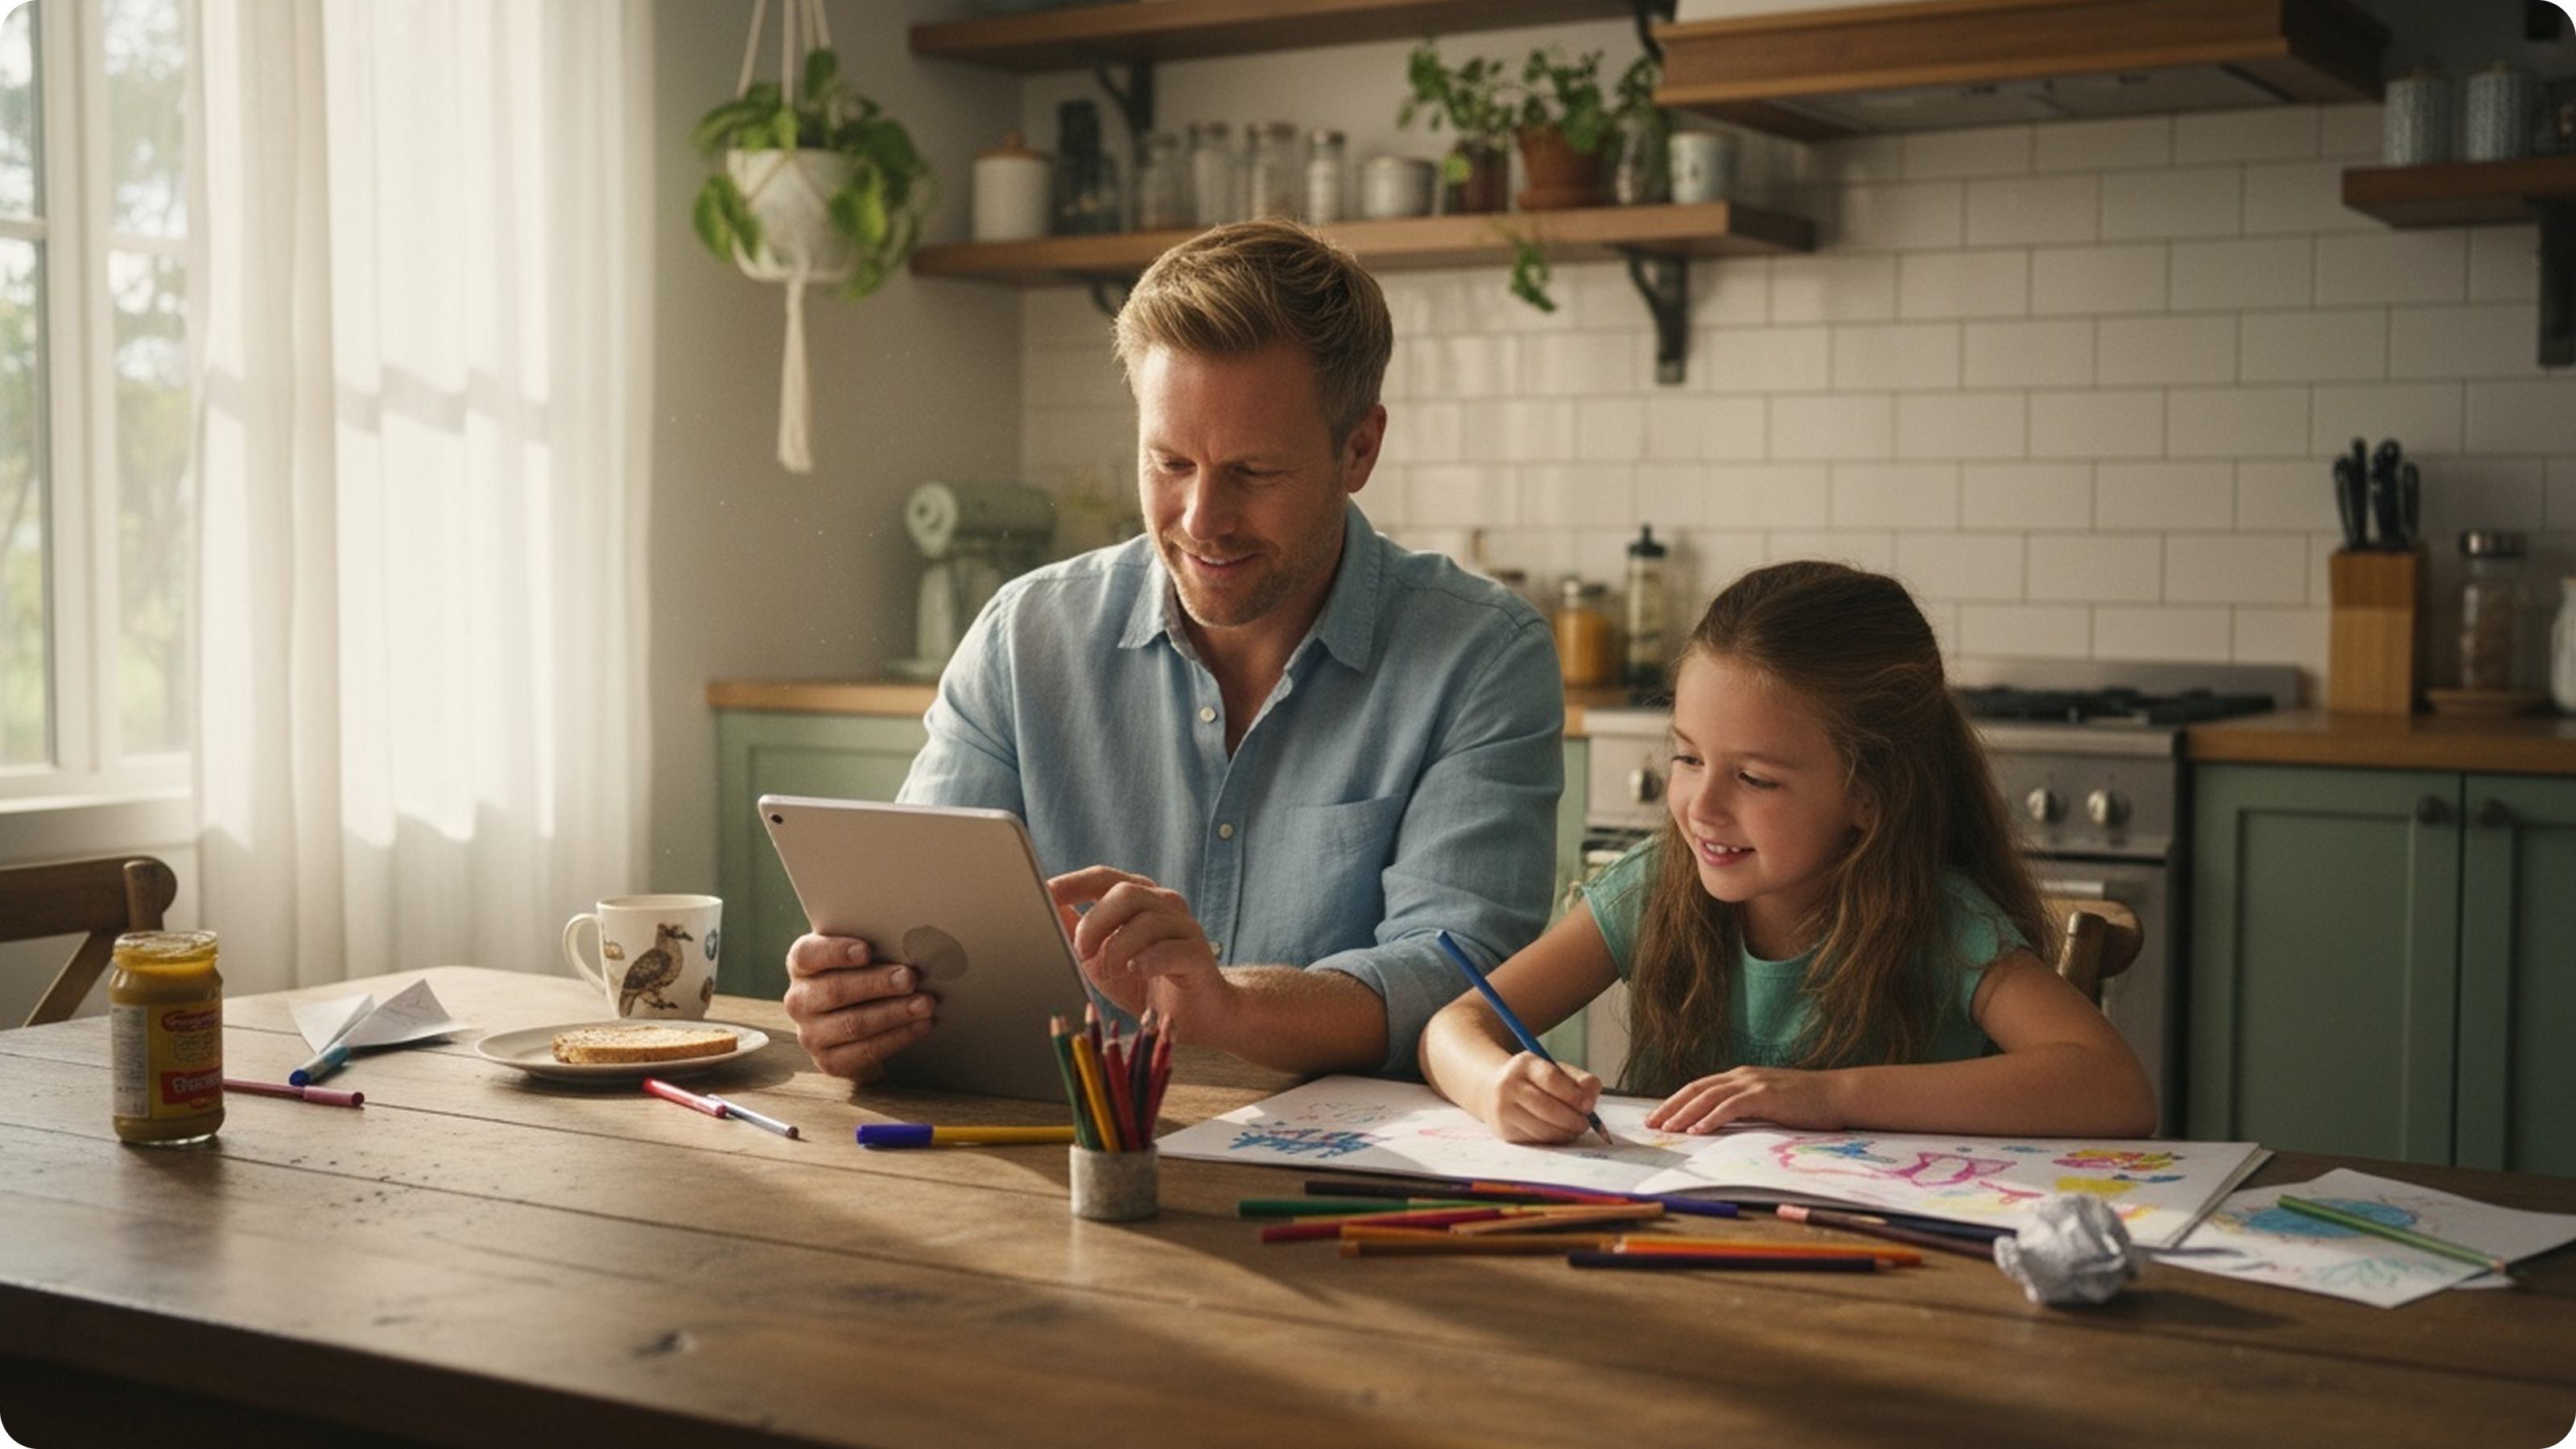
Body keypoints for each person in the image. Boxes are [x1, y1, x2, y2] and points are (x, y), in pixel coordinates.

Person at [783, 220, 1562, 1083]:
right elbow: (922, 931)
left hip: (1351, 1161)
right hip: (1064, 1145)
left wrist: (1227, 1006)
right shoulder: (1022, 637)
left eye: (1253, 473)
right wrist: (863, 1005)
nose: (1200, 520)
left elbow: (1459, 978)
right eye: (1169, 463)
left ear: (1359, 449)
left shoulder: (1481, 657)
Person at [1419, 560, 2157, 1142]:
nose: (1702, 807)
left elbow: (2115, 1089)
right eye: (1687, 758)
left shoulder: (1939, 924)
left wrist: (1831, 1097)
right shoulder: (1653, 888)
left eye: (1754, 778)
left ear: (1869, 794)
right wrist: (1494, 1086)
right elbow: (1454, 1026)